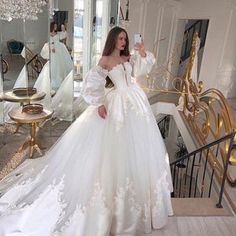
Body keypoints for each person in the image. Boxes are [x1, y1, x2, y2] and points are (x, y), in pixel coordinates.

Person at [0, 26, 173, 235]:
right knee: (112, 152)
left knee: (137, 150)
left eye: (125, 39)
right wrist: (100, 103)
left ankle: (139, 204)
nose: (123, 42)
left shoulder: (130, 58)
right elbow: (91, 84)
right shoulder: (106, 60)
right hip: (116, 105)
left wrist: (142, 51)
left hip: (136, 105)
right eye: (120, 39)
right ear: (112, 40)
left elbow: (144, 68)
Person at [49, 21, 73, 90]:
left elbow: (64, 35)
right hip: (55, 48)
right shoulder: (50, 33)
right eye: (55, 26)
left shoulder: (57, 33)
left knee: (62, 62)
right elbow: (51, 41)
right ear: (52, 26)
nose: (56, 27)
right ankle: (55, 78)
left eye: (56, 26)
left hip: (60, 47)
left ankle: (62, 77)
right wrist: (52, 47)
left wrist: (63, 29)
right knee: (56, 63)